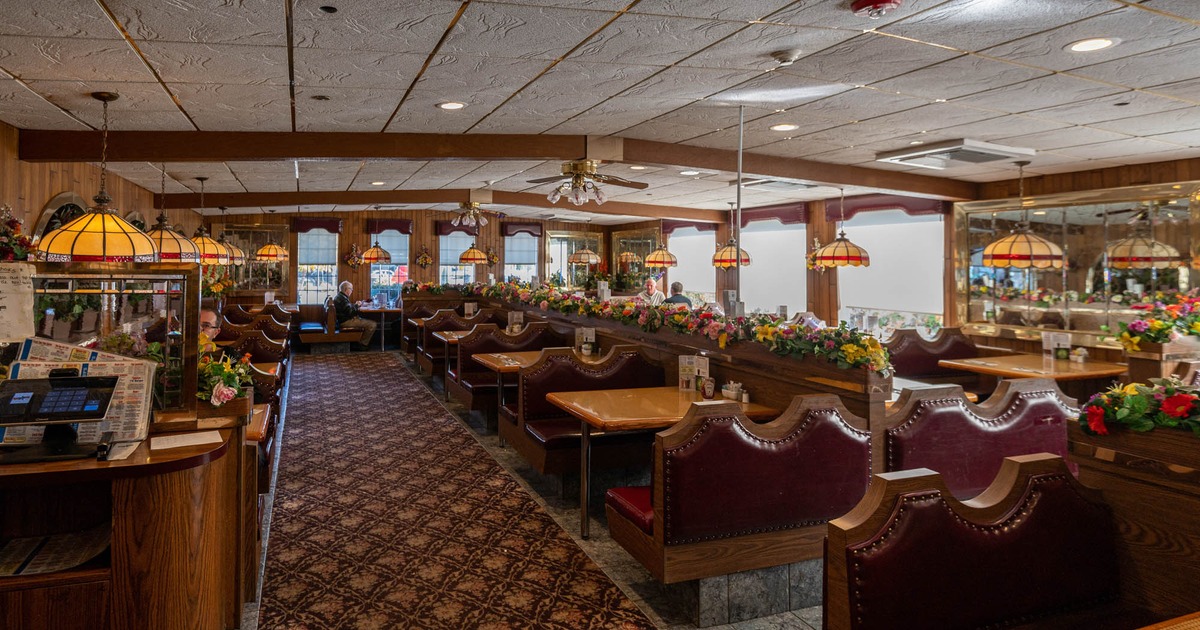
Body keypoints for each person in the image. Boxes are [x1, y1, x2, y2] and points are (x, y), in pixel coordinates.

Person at [334, 281, 377, 349]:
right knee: (372, 324)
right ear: (346, 289)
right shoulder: (342, 299)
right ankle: (362, 345)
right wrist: (357, 305)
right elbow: (351, 312)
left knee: (367, 322)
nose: (352, 291)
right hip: (345, 322)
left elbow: (348, 309)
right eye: (351, 289)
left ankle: (361, 343)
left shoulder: (340, 296)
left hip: (342, 320)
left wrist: (356, 305)